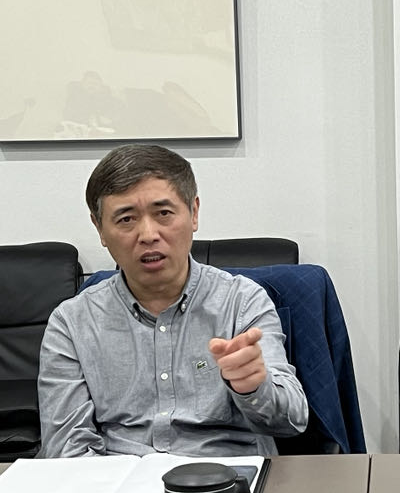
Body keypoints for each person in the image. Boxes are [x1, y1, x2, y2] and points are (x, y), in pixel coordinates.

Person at [38, 144, 308, 457]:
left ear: (194, 213)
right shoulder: (72, 323)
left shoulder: (242, 302)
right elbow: (67, 446)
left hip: (226, 477)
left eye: (163, 213)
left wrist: (253, 387)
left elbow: (293, 420)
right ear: (100, 228)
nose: (148, 234)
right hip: (117, 479)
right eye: (126, 219)